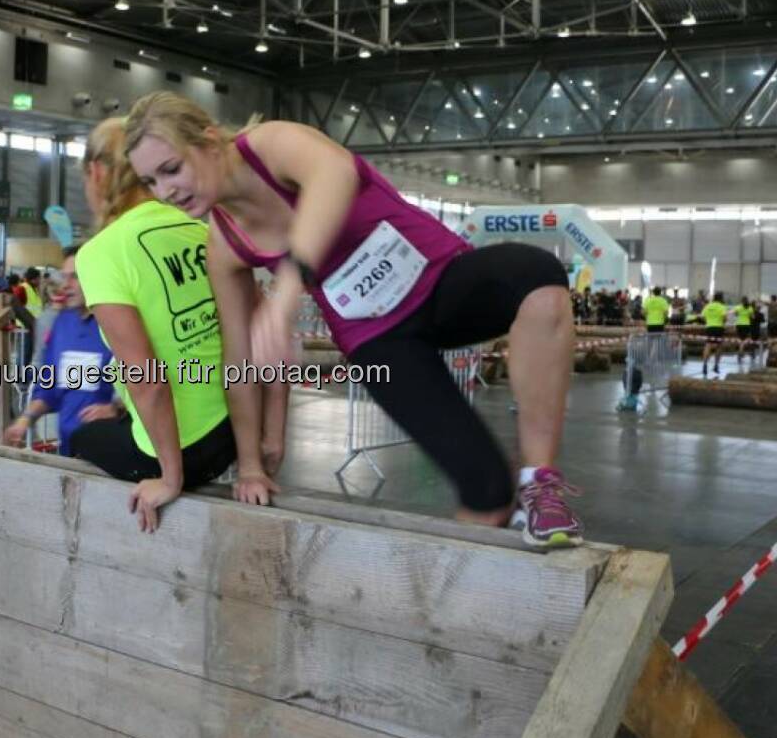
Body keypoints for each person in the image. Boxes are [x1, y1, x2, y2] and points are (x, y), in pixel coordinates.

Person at [121, 92, 582, 546]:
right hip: (380, 339)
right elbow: (238, 361)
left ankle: (539, 481)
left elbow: (334, 172)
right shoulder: (223, 246)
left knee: (536, 278)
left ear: (208, 140)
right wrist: (251, 465)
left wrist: (287, 286)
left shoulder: (269, 144)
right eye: (151, 182)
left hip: (441, 281)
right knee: (485, 492)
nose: (166, 192)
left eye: (171, 169)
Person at [71, 118, 264, 535]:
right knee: (114, 418)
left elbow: (149, 378)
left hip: (189, 454)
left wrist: (169, 477)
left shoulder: (100, 253)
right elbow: (261, 328)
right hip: (238, 429)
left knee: (82, 436)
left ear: (98, 173)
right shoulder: (202, 229)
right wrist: (262, 454)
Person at [4, 248, 120, 456]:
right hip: (69, 450)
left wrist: (117, 410)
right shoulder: (63, 323)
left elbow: (152, 382)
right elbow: (48, 389)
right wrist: (24, 420)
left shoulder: (119, 324)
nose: (66, 285)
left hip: (111, 454)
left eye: (75, 277)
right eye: (65, 277)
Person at [701, 291, 728, 376]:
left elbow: (702, 317)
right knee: (719, 347)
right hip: (719, 328)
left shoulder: (708, 306)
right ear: (721, 299)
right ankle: (716, 365)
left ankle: (705, 364)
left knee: (708, 345)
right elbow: (724, 318)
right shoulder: (722, 307)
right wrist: (722, 322)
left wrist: (708, 322)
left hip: (709, 328)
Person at [733, 296, 755, 363]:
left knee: (740, 339)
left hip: (739, 324)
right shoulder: (750, 308)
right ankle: (741, 352)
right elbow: (753, 317)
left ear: (741, 301)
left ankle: (741, 351)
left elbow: (736, 314)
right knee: (747, 339)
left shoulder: (738, 307)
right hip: (746, 325)